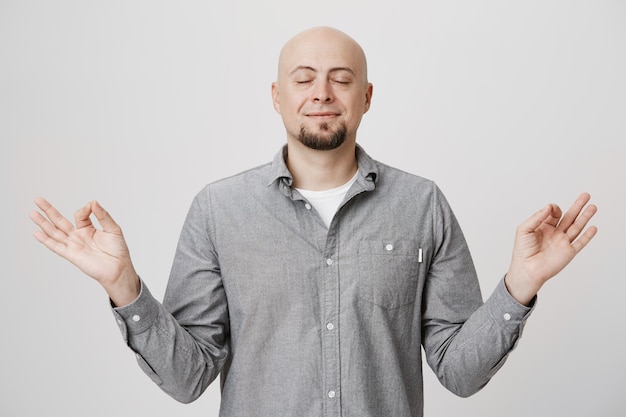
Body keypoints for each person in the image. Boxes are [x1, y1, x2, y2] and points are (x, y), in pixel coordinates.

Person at [30, 26, 598, 417]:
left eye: (340, 78)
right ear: (277, 96)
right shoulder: (218, 209)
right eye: (303, 79)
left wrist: (521, 284)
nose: (321, 93)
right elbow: (188, 378)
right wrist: (122, 287)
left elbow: (459, 373)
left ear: (367, 96)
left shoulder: (423, 204)